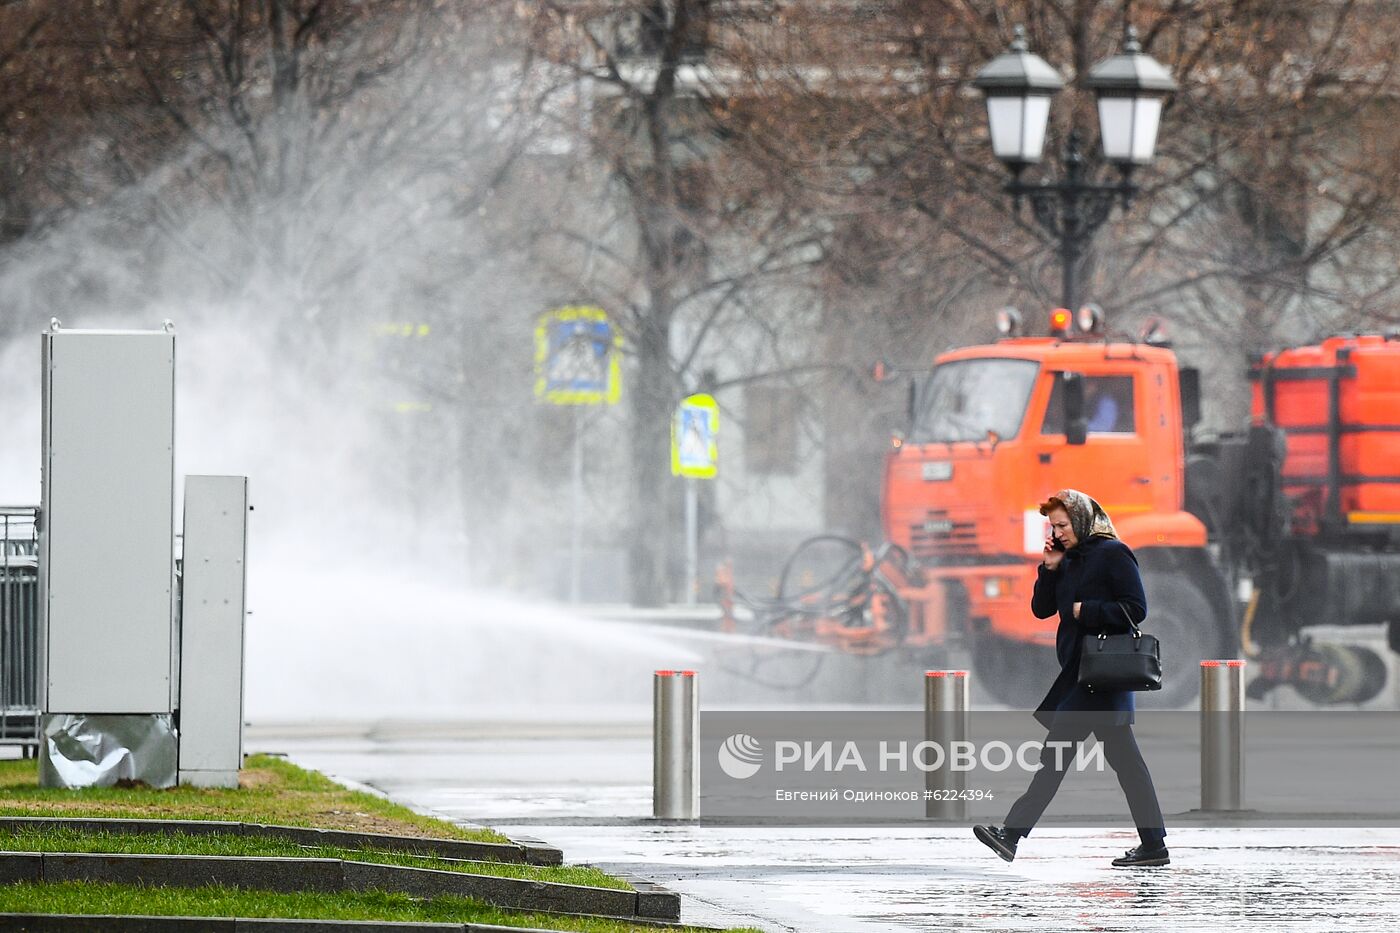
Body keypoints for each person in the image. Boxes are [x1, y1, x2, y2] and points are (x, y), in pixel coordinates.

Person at [972, 489, 1169, 868]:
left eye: (1063, 524)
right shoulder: (1067, 559)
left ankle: (1011, 835)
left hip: (1102, 677)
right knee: (1126, 765)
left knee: (1056, 758)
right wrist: (1049, 567)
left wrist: (1087, 610)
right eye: (1053, 526)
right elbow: (1042, 609)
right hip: (1080, 673)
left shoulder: (1114, 553)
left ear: (1081, 519)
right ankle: (1153, 845)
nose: (1058, 532)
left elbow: (1136, 609)